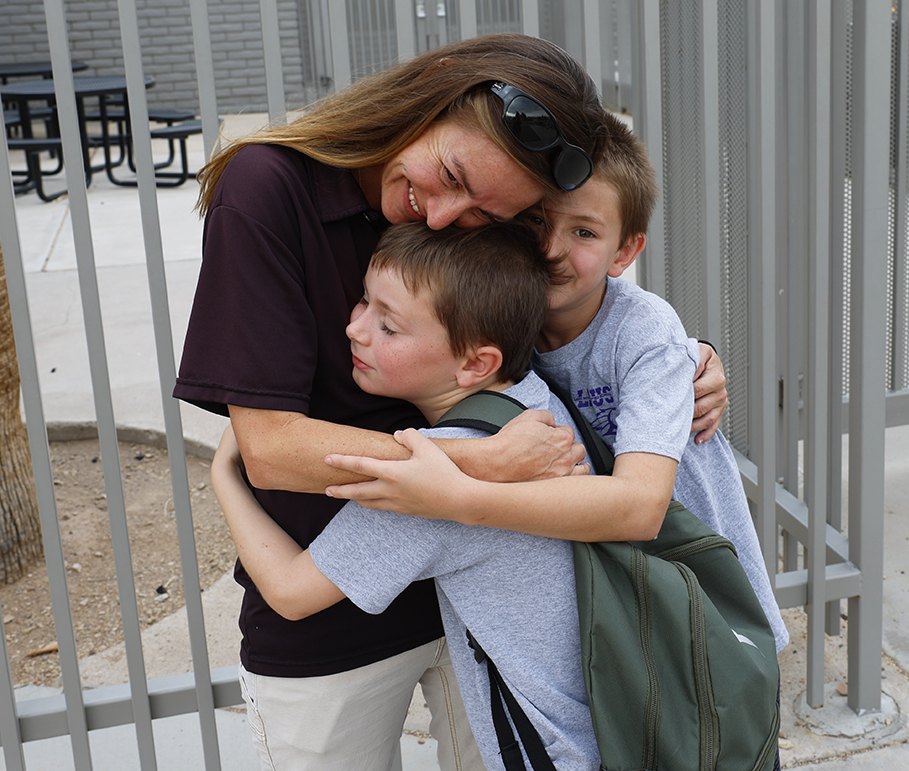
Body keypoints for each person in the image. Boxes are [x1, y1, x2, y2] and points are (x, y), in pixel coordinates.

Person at [174, 32, 727, 771]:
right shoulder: (270, 188)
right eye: (449, 173)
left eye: (482, 213)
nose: (439, 217)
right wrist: (475, 464)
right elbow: (271, 450)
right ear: (437, 87)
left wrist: (678, 359)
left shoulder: (492, 218)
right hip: (338, 603)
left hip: (483, 612)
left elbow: (555, 303)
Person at [212, 221, 603, 770]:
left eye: (388, 327)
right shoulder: (536, 405)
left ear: (475, 364)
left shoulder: (432, 488)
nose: (355, 329)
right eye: (364, 301)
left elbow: (290, 593)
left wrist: (225, 476)